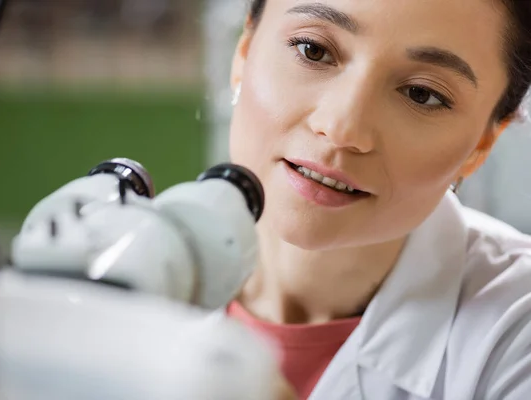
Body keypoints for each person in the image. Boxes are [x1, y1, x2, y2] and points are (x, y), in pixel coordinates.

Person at [224, 0, 531, 399]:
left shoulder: (516, 331)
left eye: (422, 94)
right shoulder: (121, 271)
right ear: (244, 52)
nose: (342, 128)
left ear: (482, 143)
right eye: (313, 50)